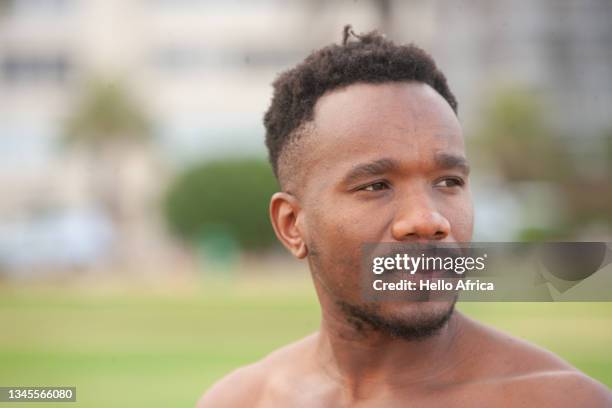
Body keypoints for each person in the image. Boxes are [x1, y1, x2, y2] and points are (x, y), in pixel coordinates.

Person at [197, 26, 612, 407]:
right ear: (292, 225)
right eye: (375, 186)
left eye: (448, 182)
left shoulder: (559, 400)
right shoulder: (242, 400)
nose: (428, 219)